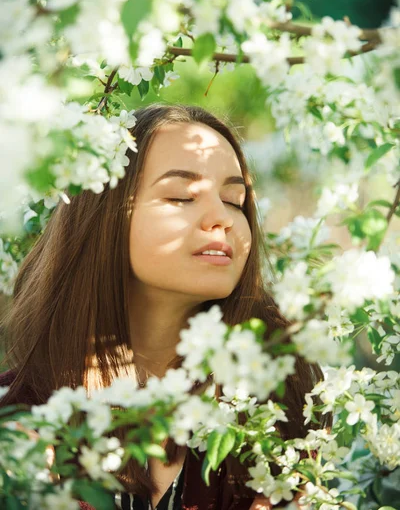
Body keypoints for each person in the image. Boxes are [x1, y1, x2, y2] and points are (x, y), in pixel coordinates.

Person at [0, 104, 329, 510]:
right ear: (104, 218)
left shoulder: (282, 406)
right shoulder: (16, 424)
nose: (220, 219)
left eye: (234, 200)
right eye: (180, 196)